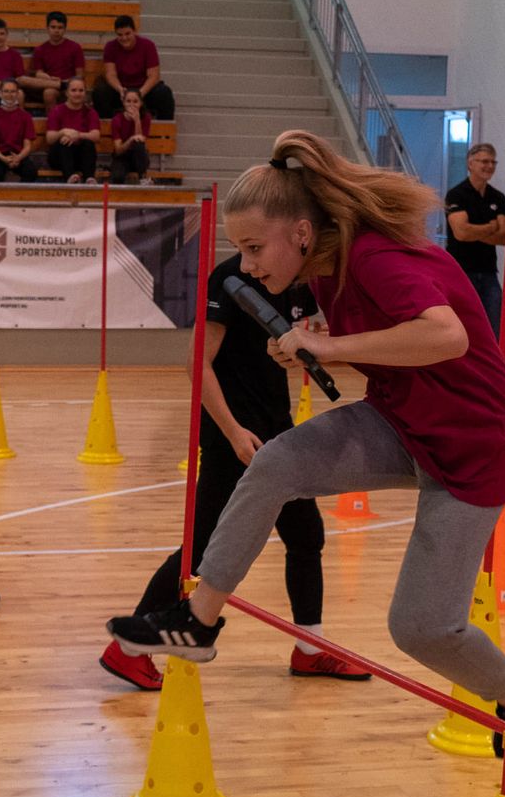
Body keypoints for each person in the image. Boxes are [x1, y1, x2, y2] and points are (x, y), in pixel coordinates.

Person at [105, 130, 505, 758]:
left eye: (254, 248)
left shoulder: (373, 255)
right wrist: (318, 340)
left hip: (474, 442)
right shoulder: (325, 269)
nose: (246, 265)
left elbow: (446, 336)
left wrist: (329, 345)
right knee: (275, 463)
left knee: (419, 628)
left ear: (301, 233)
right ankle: (197, 621)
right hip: (402, 419)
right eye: (240, 250)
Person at [100, 253, 367, 690]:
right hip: (235, 436)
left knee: (305, 536)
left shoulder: (296, 281)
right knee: (202, 547)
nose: (253, 258)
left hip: (276, 428)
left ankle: (310, 648)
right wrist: (232, 432)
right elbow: (197, 363)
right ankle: (128, 649)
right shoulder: (229, 277)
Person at [444, 143, 505, 337]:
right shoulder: (456, 194)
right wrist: (490, 227)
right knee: (463, 328)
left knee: (493, 329)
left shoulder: (498, 197)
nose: (489, 166)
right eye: (484, 161)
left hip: (489, 272)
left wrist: (475, 231)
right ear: (470, 164)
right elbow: (461, 233)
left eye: (493, 162)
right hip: (461, 272)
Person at [93, 16, 174, 121]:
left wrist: (139, 94)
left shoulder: (148, 45)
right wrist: (120, 89)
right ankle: (107, 128)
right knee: (100, 93)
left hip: (143, 91)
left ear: (134, 31)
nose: (124, 38)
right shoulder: (110, 47)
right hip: (121, 92)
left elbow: (154, 76)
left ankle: (165, 129)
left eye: (127, 34)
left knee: (164, 93)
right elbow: (111, 74)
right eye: (120, 35)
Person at [21, 11, 85, 112]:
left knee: (49, 93)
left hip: (68, 86)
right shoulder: (40, 50)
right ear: (47, 28)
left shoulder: (75, 48)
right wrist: (48, 78)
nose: (56, 31)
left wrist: (65, 82)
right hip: (47, 84)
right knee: (26, 82)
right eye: (53, 27)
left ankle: (54, 121)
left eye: (60, 28)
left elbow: (80, 76)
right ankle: (53, 122)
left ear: (65, 29)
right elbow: (39, 73)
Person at [44, 77, 100, 184]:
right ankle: (70, 177)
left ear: (85, 93)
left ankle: (89, 177)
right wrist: (63, 132)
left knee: (88, 143)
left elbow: (96, 136)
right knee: (65, 141)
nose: (77, 94)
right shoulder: (56, 111)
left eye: (81, 90)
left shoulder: (90, 112)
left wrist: (78, 135)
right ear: (66, 93)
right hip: (59, 157)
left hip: (80, 157)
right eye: (73, 90)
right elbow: (49, 139)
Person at [0, 80, 37, 183]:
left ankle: (19, 193)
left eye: (12, 91)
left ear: (17, 93)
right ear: (0, 93)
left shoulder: (25, 116)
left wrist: (18, 158)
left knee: (31, 172)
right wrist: (4, 158)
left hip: (19, 155)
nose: (9, 95)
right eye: (6, 91)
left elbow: (27, 146)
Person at [109, 88, 152, 185]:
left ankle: (143, 177)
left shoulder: (146, 118)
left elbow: (140, 140)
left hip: (139, 155)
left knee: (138, 143)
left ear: (141, 103)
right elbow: (118, 150)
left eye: (135, 101)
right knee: (117, 176)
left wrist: (137, 120)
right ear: (123, 103)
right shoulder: (117, 119)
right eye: (128, 101)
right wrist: (130, 139)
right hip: (122, 156)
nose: (132, 105)